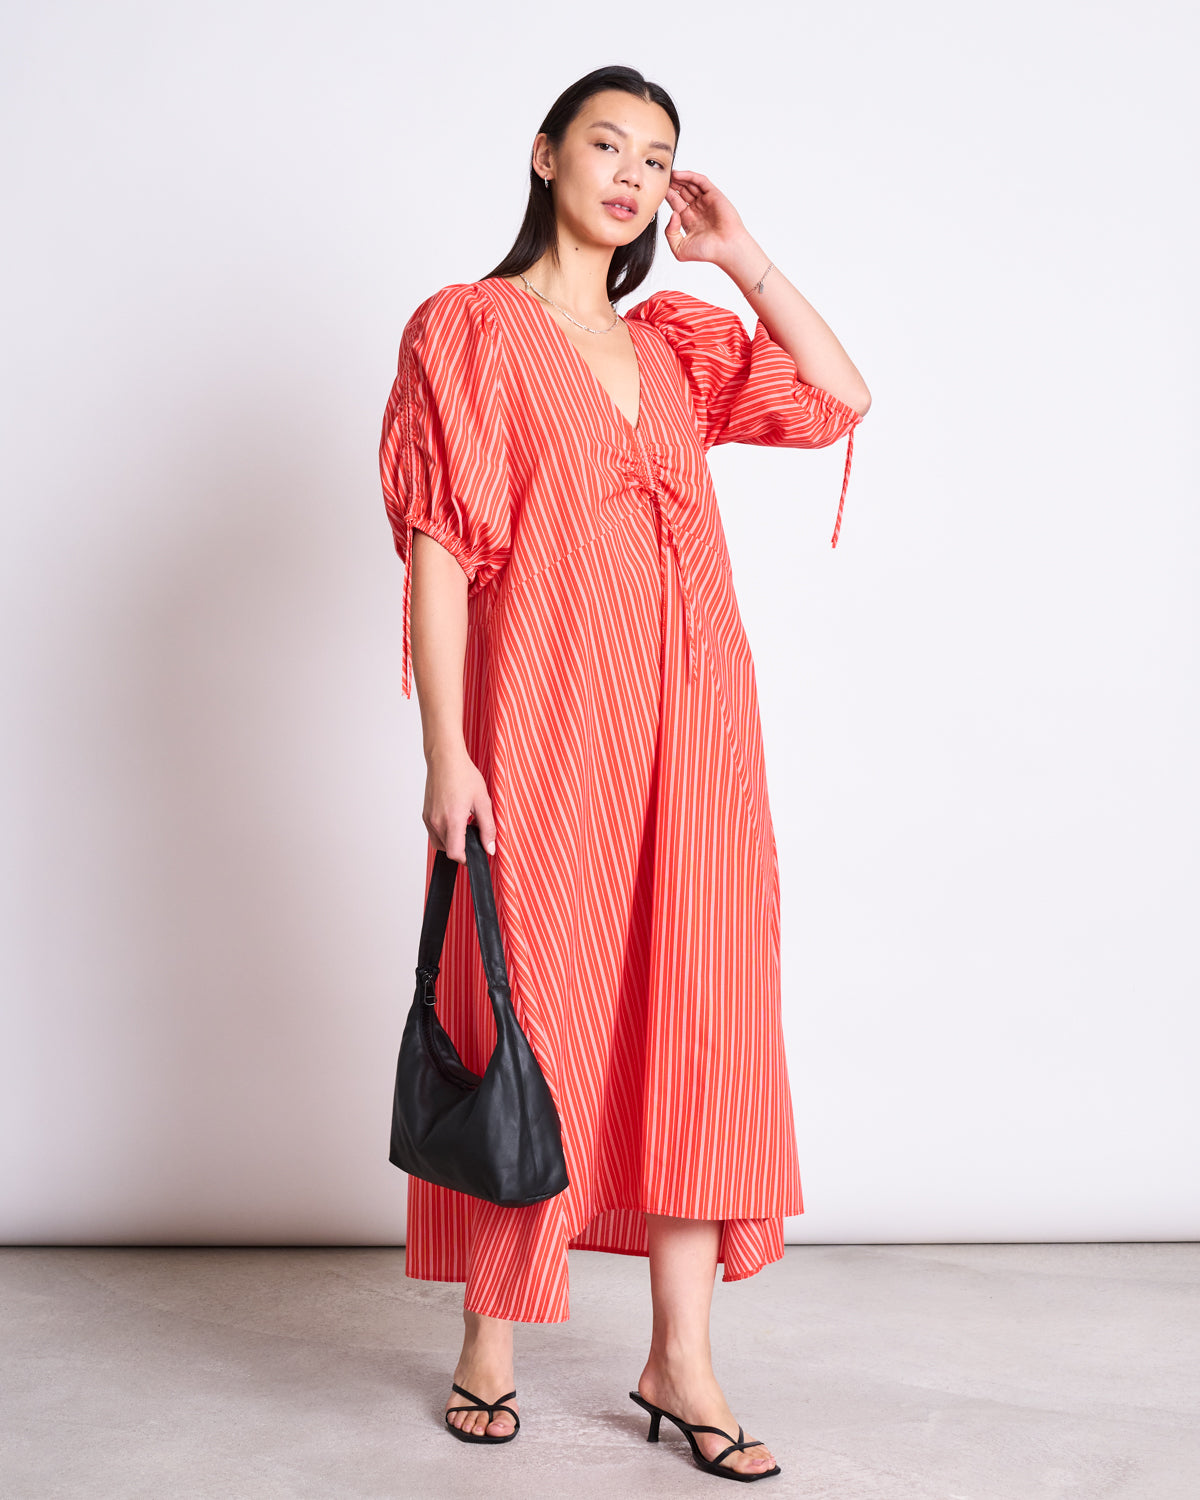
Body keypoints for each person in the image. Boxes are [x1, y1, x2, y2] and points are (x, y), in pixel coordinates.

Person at [378, 64, 870, 1481]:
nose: (634, 177)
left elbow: (840, 396)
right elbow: (440, 549)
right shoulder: (470, 329)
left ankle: (682, 1359)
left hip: (697, 726)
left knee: (702, 1015)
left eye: (658, 160)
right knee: (534, 1007)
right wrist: (447, 751)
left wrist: (741, 254)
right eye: (609, 146)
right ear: (545, 156)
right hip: (546, 723)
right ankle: (489, 1338)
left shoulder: (674, 344)